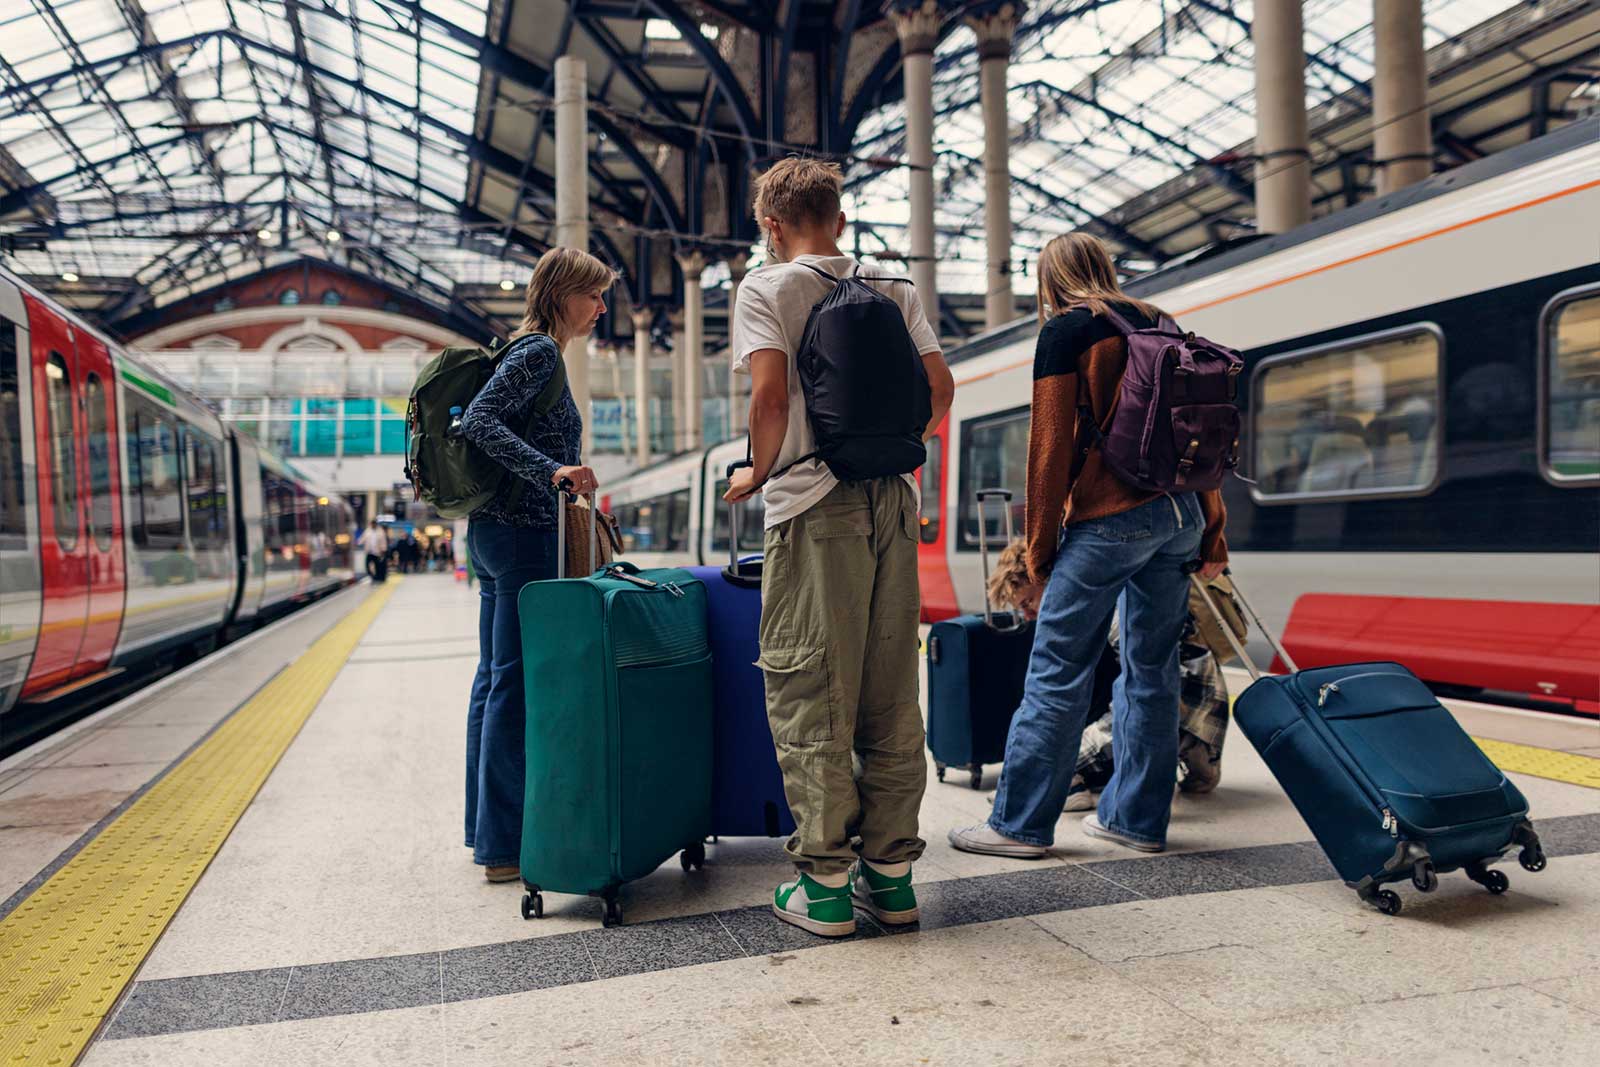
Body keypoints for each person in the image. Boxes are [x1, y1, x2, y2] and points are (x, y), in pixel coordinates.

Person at [725, 156, 955, 937]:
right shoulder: (894, 288)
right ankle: (892, 882)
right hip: (894, 499)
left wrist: (758, 471)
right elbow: (941, 391)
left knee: (812, 687)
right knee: (891, 691)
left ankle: (824, 887)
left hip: (811, 503)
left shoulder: (766, 286)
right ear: (841, 221)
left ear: (771, 225)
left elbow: (768, 392)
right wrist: (891, 448)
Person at [949, 232, 1228, 860]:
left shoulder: (1066, 332)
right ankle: (1135, 820)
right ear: (1105, 266)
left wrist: (1039, 554)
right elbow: (1199, 441)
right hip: (1180, 516)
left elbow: (1048, 454)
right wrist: (1213, 530)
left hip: (1110, 521)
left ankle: (1017, 825)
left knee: (1057, 672)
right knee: (1151, 671)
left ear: (1049, 282)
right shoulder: (1162, 323)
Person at [459, 246, 618, 883]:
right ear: (561, 294)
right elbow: (479, 422)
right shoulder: (538, 352)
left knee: (492, 682)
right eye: (594, 295)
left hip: (497, 534)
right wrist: (553, 469)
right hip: (522, 536)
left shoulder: (524, 351)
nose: (602, 308)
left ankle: (487, 834)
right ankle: (502, 845)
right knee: (513, 685)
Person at [986, 538, 1231, 810]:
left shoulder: (1108, 598)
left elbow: (1148, 681)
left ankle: (1072, 785)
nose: (1028, 615)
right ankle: (1196, 757)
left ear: (1046, 578)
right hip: (1208, 705)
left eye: (1028, 601)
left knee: (1047, 763)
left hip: (1178, 704)